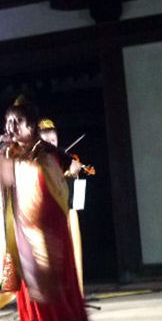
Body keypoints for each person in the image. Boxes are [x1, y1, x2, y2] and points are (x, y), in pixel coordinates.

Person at [0, 97, 89, 321]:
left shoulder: (45, 152)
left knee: (48, 275)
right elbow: (2, 186)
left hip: (47, 226)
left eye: (18, 120)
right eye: (8, 121)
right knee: (27, 275)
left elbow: (59, 179)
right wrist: (5, 156)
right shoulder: (5, 153)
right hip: (22, 226)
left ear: (31, 125)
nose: (12, 126)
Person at [38, 118, 95, 296]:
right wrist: (67, 174)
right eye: (47, 141)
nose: (51, 144)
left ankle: (75, 292)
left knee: (72, 252)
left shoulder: (62, 158)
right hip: (48, 216)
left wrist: (73, 173)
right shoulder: (37, 161)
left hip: (68, 213)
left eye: (53, 140)